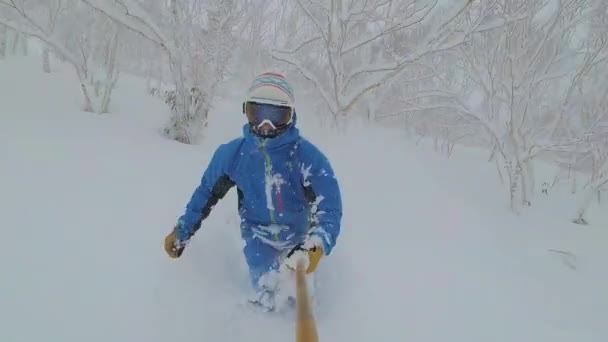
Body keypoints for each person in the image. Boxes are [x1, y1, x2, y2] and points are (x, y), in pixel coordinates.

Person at [163, 72, 343, 311]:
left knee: (302, 299)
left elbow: (330, 206)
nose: (265, 126)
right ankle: (264, 322)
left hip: (299, 239)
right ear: (246, 112)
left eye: (276, 115)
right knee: (267, 291)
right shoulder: (233, 154)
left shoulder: (307, 158)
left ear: (290, 116)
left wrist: (317, 244)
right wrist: (182, 230)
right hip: (258, 235)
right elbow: (205, 193)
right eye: (258, 114)